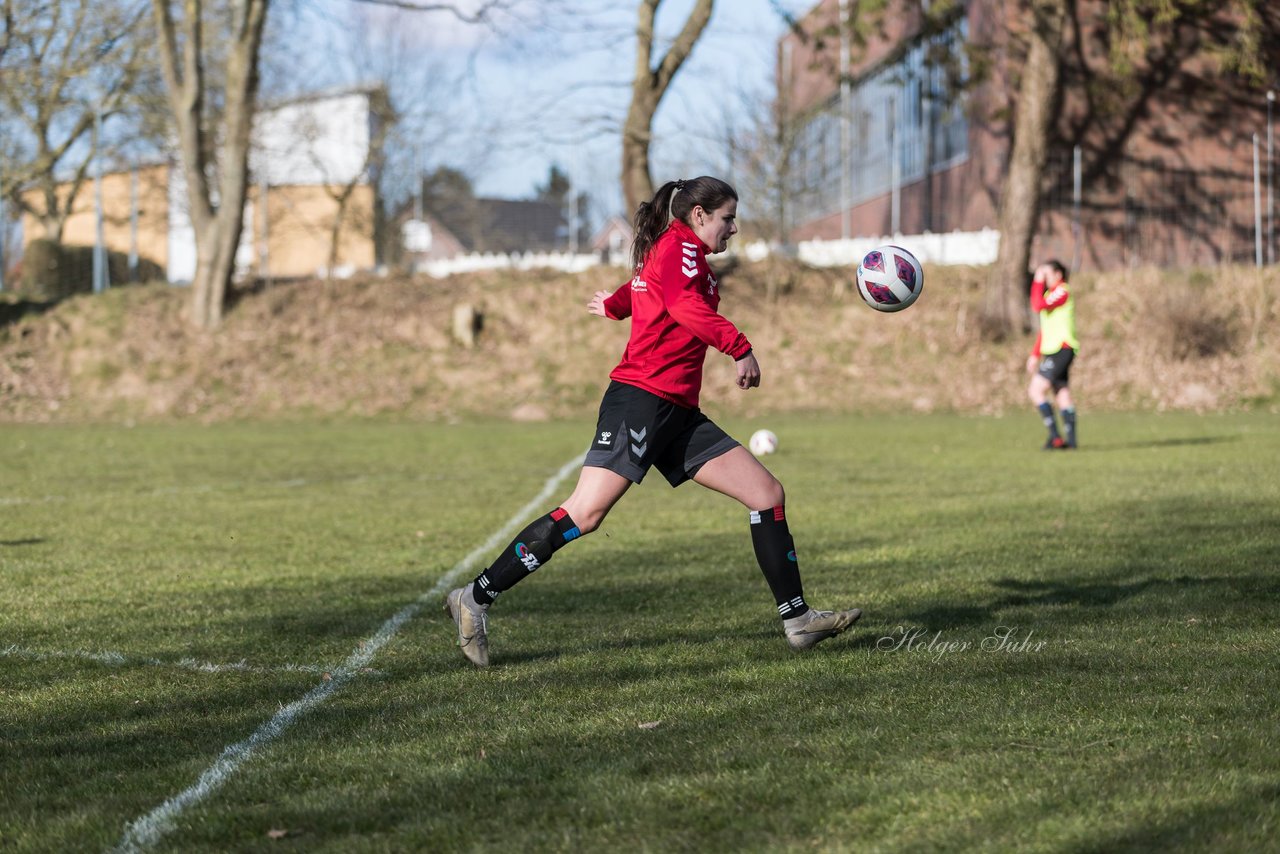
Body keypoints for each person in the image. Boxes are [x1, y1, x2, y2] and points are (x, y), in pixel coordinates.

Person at [444, 176, 862, 667]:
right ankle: (474, 598)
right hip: (641, 402)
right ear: (700, 215)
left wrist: (614, 305)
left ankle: (798, 621)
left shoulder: (681, 256)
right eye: (728, 218)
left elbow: (645, 290)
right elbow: (682, 305)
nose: (734, 228)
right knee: (585, 514)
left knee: (766, 494)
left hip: (678, 413)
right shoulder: (680, 249)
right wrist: (739, 347)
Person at [1025, 259, 1079, 450]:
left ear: (1058, 274)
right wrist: (1034, 354)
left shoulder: (1063, 290)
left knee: (1035, 390)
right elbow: (1045, 330)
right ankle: (1071, 443)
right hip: (1053, 350)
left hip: (1061, 349)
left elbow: (1037, 305)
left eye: (1046, 274)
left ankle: (1056, 437)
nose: (1043, 278)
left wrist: (1037, 281)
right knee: (1062, 394)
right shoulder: (1050, 295)